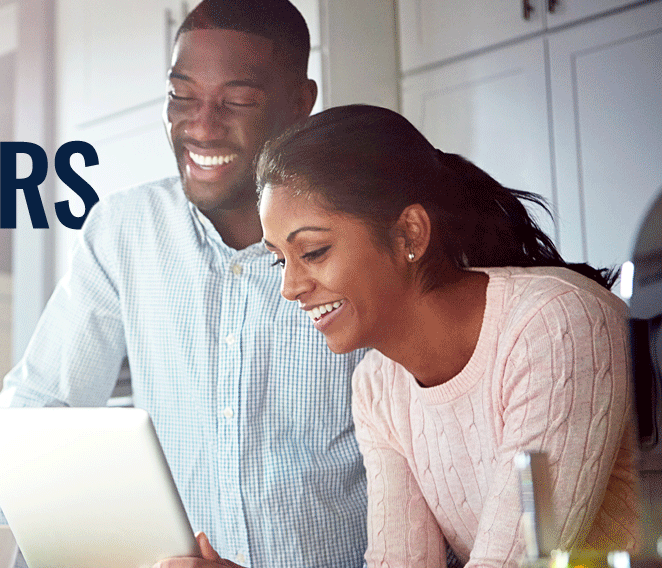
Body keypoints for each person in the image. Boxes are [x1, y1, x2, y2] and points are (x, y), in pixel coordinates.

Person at [0, 0, 370, 568]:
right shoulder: (123, 231)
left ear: (301, 101)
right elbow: (43, 402)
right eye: (181, 96)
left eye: (237, 102)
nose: (201, 127)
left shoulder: (357, 233)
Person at [250, 104, 640, 567]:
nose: (290, 287)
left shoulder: (554, 324)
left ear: (409, 234)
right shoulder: (377, 385)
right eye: (280, 260)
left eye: (313, 251)